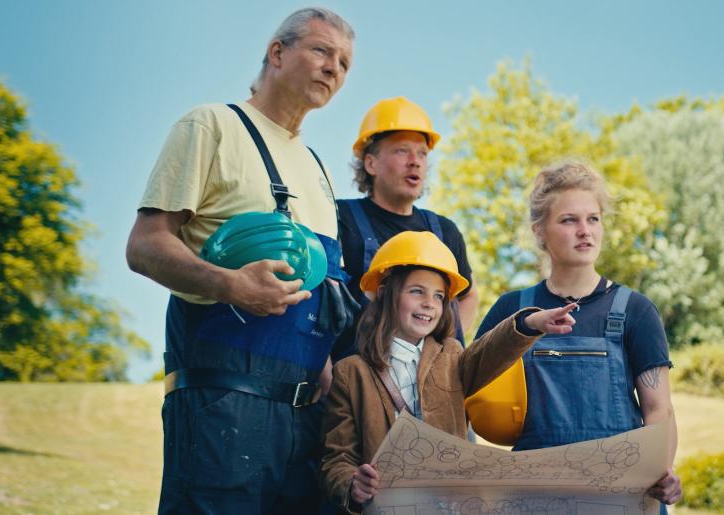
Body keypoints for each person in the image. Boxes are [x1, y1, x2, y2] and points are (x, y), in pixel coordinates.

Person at [124, 7, 354, 514]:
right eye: (321, 50)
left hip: (303, 421)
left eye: (343, 62)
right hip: (221, 407)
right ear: (277, 53)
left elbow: (321, 290)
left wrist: (326, 358)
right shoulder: (212, 125)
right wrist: (230, 285)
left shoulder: (316, 168)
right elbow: (144, 244)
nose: (333, 68)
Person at [474, 162, 684, 509]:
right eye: (569, 220)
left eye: (593, 219)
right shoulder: (512, 310)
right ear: (539, 231)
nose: (585, 231)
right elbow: (465, 386)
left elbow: (658, 409)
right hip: (534, 496)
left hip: (618, 495)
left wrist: (661, 471)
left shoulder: (635, 310)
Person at [320, 231, 577, 514]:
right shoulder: (350, 373)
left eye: (439, 296)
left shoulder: (452, 357)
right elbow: (337, 459)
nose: (430, 303)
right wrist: (352, 484)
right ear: (385, 294)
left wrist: (531, 323)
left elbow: (491, 350)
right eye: (417, 291)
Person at [334, 97, 479, 357]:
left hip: (429, 386)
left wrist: (446, 343)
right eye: (402, 151)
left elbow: (468, 295)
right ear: (371, 164)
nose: (415, 161)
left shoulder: (445, 232)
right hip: (358, 378)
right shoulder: (340, 218)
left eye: (422, 153)